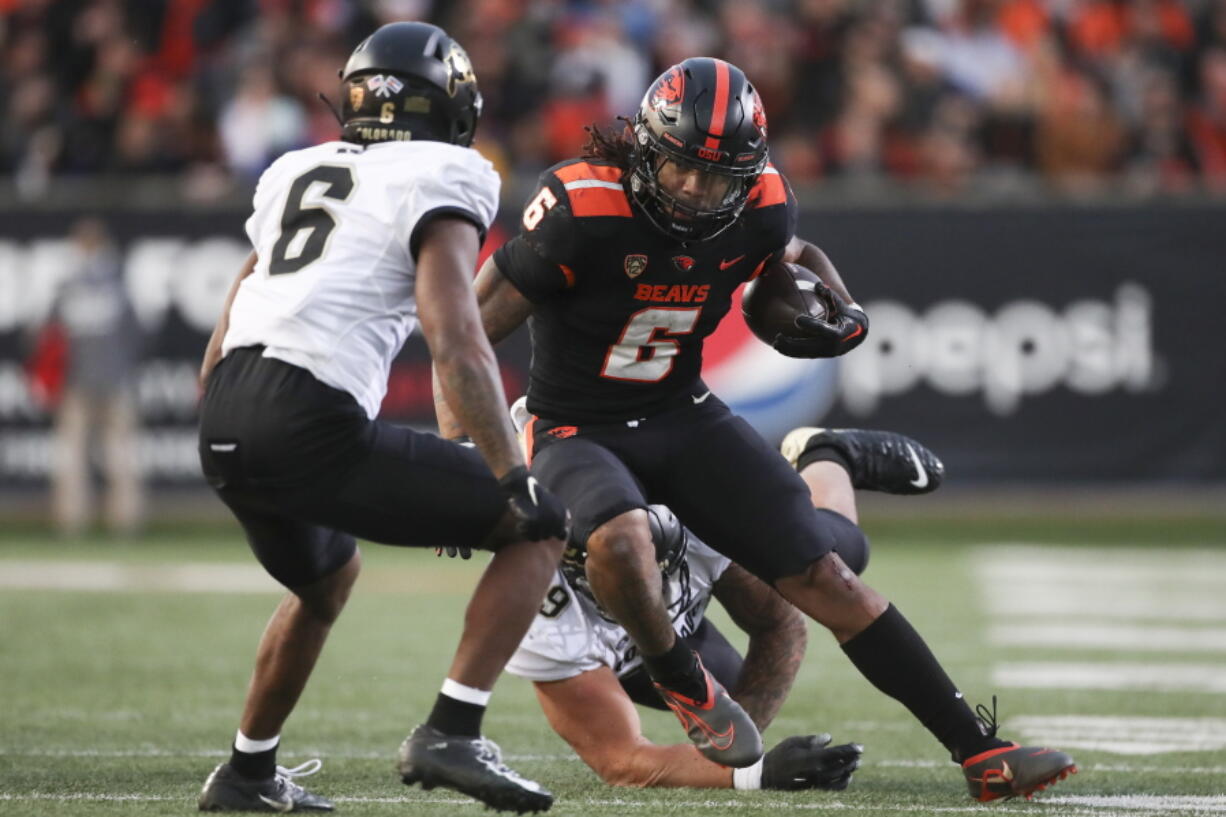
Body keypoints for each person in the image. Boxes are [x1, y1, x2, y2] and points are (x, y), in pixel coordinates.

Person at [435, 57, 1077, 802]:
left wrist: (834, 306)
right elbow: (468, 337)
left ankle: (981, 752)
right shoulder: (581, 205)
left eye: (718, 178)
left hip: (682, 412)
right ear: (645, 148)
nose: (696, 192)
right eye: (681, 170)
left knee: (827, 576)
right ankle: (685, 680)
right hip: (578, 424)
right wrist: (463, 460)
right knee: (617, 537)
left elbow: (786, 261)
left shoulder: (763, 205)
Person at [195, 22, 568, 814]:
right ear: (450, 105)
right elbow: (457, 337)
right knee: (540, 525)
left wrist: (231, 416)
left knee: (327, 577)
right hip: (307, 415)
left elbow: (231, 318)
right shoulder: (449, 170)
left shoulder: (298, 167)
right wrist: (509, 474)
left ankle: (245, 776)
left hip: (224, 414)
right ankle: (452, 731)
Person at [42, 217, 145, 536]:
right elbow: (136, 333)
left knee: (84, 455)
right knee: (114, 455)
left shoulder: (68, 285)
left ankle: (78, 523)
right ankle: (119, 522)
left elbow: (45, 335)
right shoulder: (116, 280)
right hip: (107, 379)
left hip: (83, 381)